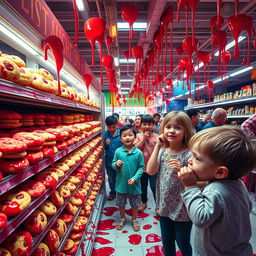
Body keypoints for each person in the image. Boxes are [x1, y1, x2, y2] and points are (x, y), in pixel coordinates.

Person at [178, 126, 256, 256]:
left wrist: (190, 186)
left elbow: (200, 218)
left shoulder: (215, 191)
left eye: (197, 158)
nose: (189, 160)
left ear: (220, 172)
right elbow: (248, 206)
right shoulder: (239, 185)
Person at [146, 111, 193, 256]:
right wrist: (157, 147)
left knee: (182, 241)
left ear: (186, 131)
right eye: (168, 127)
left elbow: (198, 182)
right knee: (167, 241)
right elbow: (150, 171)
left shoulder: (190, 154)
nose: (171, 131)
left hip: (183, 207)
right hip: (165, 205)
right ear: (163, 129)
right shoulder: (163, 151)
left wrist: (182, 170)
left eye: (178, 128)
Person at [112, 124, 144, 231]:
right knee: (121, 203)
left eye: (130, 135)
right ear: (120, 138)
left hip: (134, 184)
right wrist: (116, 164)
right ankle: (122, 218)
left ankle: (134, 219)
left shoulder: (138, 152)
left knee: (134, 203)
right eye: (124, 135)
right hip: (121, 184)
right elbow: (113, 165)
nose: (127, 137)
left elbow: (141, 168)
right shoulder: (118, 151)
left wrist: (135, 178)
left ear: (135, 137)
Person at [134, 114, 157, 213]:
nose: (147, 126)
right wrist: (144, 138)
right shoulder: (138, 136)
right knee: (142, 186)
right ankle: (144, 202)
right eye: (144, 124)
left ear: (153, 125)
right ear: (141, 125)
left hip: (154, 167)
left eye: (149, 124)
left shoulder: (157, 137)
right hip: (141, 167)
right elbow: (136, 150)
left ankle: (158, 205)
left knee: (154, 186)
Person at [104, 115, 123, 200]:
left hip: (121, 161)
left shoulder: (122, 133)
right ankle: (113, 192)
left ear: (117, 124)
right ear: (106, 126)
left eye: (113, 127)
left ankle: (122, 192)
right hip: (109, 161)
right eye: (109, 127)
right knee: (111, 178)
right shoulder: (105, 134)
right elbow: (101, 149)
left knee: (121, 177)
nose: (111, 129)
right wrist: (105, 144)